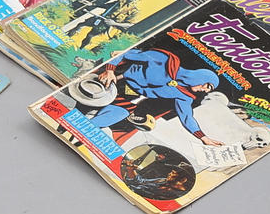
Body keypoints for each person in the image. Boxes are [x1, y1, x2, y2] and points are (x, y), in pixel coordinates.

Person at [90, 48, 225, 145]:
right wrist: (110, 70)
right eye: (207, 86)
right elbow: (124, 54)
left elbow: (187, 117)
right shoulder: (166, 60)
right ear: (202, 77)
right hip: (112, 81)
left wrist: (204, 138)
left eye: (208, 90)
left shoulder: (185, 96)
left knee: (106, 120)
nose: (204, 90)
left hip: (127, 98)